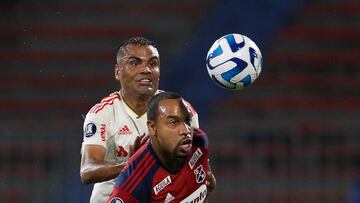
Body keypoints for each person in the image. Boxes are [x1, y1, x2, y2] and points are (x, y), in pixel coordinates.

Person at [80, 37, 215, 203]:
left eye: (152, 63)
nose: (146, 69)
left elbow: (199, 174)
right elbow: (87, 171)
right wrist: (131, 165)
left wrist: (206, 182)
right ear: (118, 72)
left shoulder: (182, 110)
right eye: (135, 63)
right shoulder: (103, 114)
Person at [107, 92, 213, 203]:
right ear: (152, 127)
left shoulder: (199, 141)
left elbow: (208, 185)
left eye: (188, 121)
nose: (186, 130)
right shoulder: (136, 178)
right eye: (173, 122)